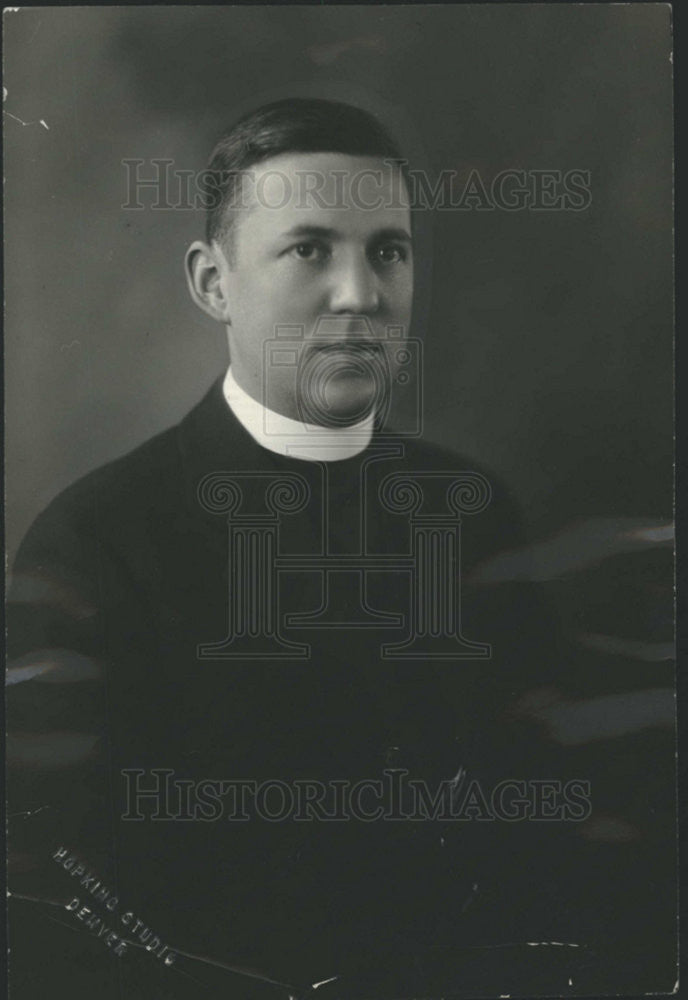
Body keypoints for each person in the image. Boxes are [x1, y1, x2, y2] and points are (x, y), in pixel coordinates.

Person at [7, 99, 583, 999]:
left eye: (387, 250)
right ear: (211, 283)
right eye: (310, 249)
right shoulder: (93, 542)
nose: (361, 294)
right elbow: (58, 896)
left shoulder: (474, 514)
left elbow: (555, 837)